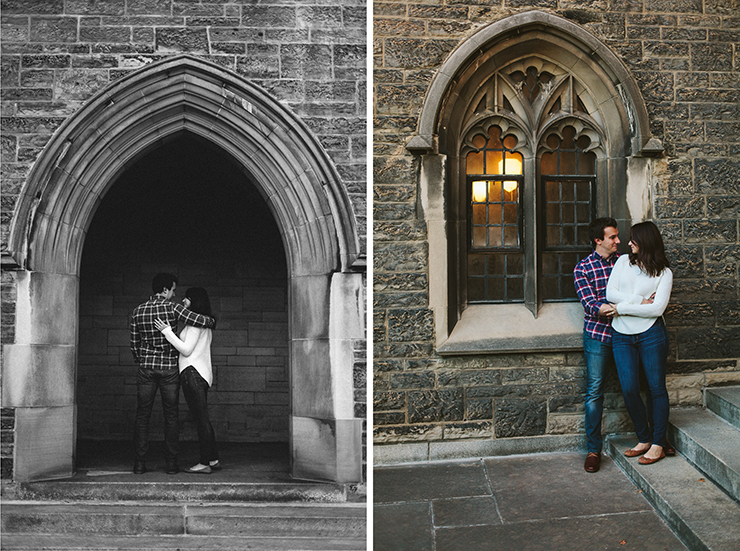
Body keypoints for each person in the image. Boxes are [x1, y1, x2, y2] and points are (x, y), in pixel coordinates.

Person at [129, 273, 215, 475]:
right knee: (171, 416)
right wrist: (212, 321)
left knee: (142, 416)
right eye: (173, 290)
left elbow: (134, 344)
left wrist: (141, 360)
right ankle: (171, 464)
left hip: (146, 368)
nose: (174, 293)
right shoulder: (173, 307)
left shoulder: (137, 311)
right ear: (166, 290)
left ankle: (140, 463)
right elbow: (199, 319)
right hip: (168, 368)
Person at [607, 221, 673, 465]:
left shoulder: (664, 273)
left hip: (651, 334)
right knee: (629, 388)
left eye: (633, 238)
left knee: (656, 389)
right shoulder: (623, 262)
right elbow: (609, 293)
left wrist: (622, 308)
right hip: (621, 335)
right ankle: (644, 438)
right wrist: (639, 300)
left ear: (645, 241)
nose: (628, 242)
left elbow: (657, 309)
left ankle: (658, 444)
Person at [154, 287, 221, 475]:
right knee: (203, 418)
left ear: (195, 301)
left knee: (201, 420)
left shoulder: (194, 324)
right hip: (201, 374)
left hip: (192, 374)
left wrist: (167, 332)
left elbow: (186, 350)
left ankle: (204, 462)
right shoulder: (204, 323)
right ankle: (213, 458)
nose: (183, 300)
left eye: (187, 298)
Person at [573, 217, 621, 473]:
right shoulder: (583, 268)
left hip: (627, 335)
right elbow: (591, 305)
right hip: (597, 336)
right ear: (598, 240)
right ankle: (593, 450)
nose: (618, 241)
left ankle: (653, 439)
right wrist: (621, 308)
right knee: (594, 392)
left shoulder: (625, 262)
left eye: (617, 236)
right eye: (612, 237)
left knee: (638, 385)